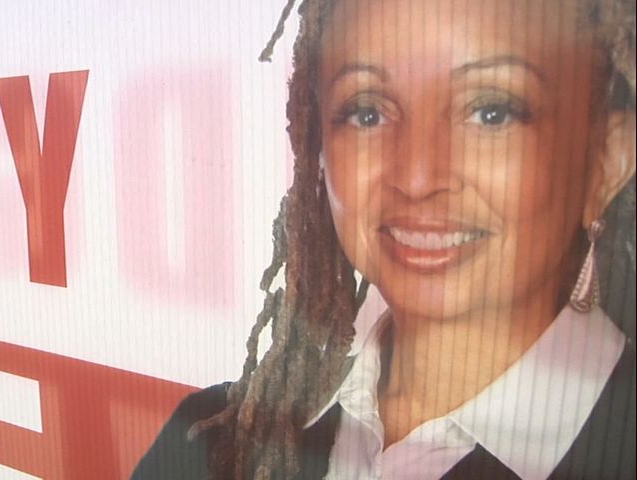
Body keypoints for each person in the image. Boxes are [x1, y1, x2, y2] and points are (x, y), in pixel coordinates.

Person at [132, 0, 636, 478]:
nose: (416, 178)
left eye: (492, 112)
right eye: (367, 113)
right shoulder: (210, 446)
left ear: (606, 162)